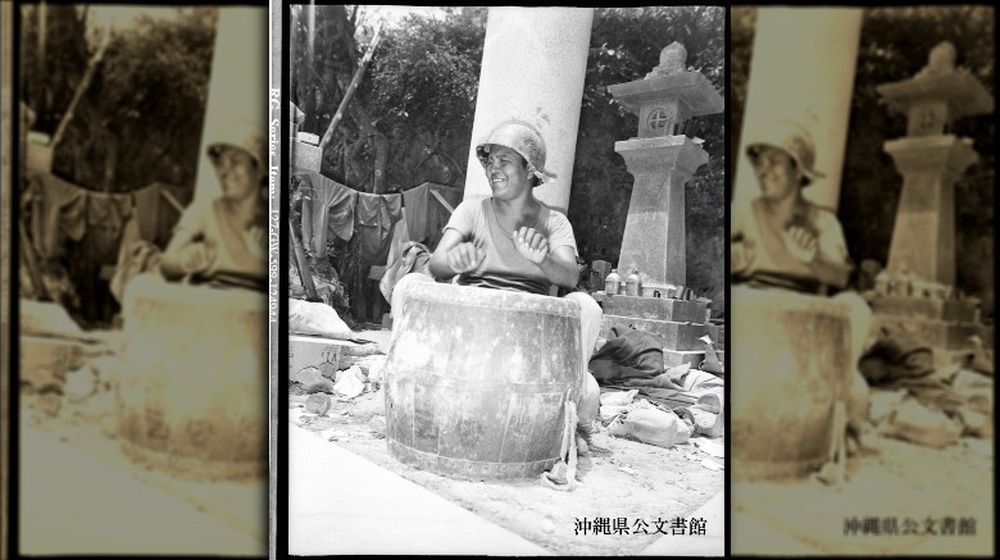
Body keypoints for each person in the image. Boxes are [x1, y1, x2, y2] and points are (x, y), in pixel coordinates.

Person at [393, 119, 603, 439]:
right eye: (490, 161)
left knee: (586, 306)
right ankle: (398, 391)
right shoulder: (472, 211)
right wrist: (453, 260)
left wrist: (542, 259)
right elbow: (436, 264)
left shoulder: (555, 222)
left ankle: (565, 410)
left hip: (527, 331)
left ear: (530, 170)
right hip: (470, 321)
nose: (494, 168)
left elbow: (570, 276)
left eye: (505, 160)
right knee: (409, 285)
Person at [731, 119, 851, 294]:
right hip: (749, 305)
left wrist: (814, 260)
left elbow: (841, 277)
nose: (763, 171)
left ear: (799, 170)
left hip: (800, 312)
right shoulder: (744, 210)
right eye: (759, 163)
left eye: (774, 161)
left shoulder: (823, 221)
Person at [160, 120, 267, 282]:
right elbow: (167, 263)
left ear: (259, 170)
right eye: (220, 163)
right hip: (210, 301)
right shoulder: (204, 209)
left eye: (235, 161)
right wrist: (184, 261)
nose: (224, 171)